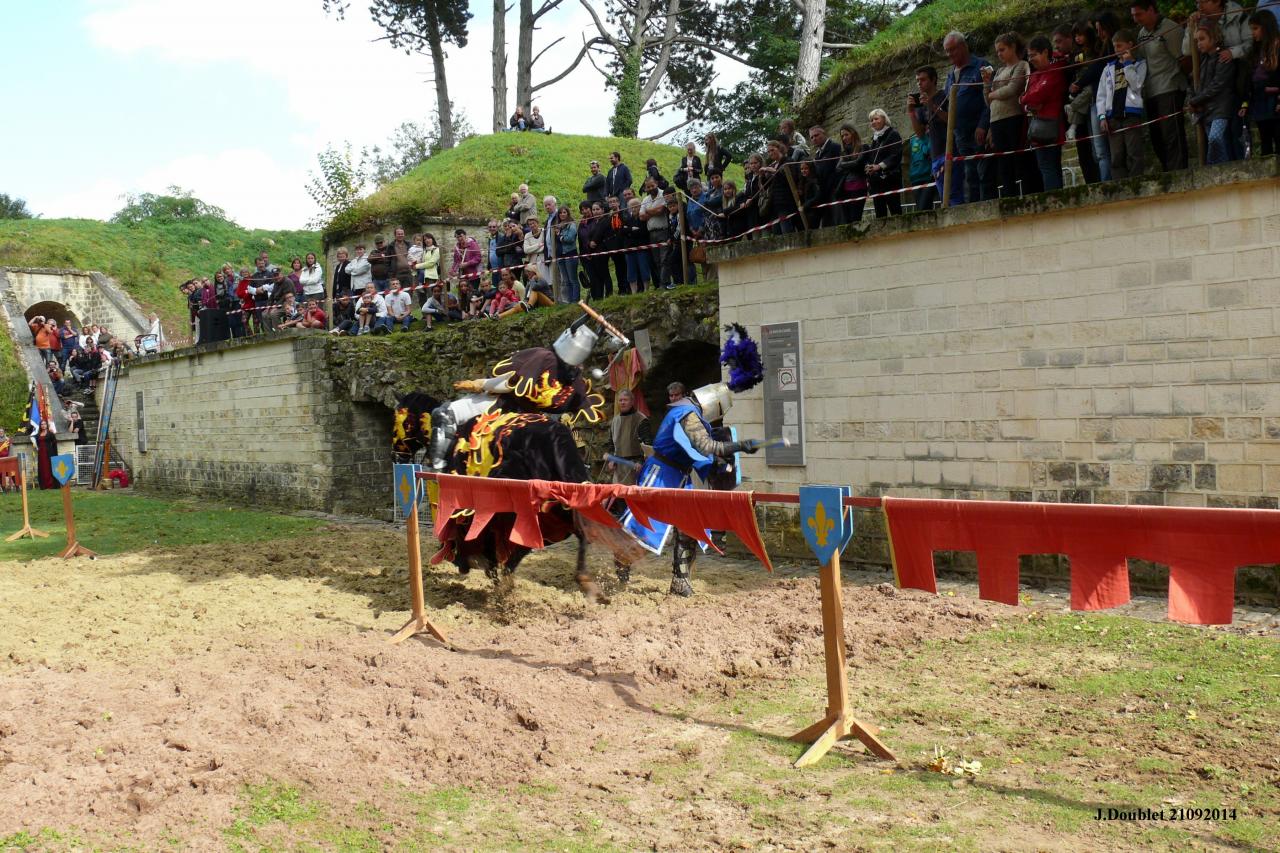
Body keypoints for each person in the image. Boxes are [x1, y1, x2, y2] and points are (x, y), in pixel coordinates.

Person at [620, 381, 760, 596]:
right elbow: (705, 446)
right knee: (650, 532)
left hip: (680, 476)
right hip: (661, 474)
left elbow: (699, 452)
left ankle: (680, 582)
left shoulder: (687, 411)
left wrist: (721, 462)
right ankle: (621, 560)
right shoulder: (687, 413)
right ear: (713, 402)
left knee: (690, 527)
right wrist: (740, 446)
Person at [1131, 0, 1189, 172]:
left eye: (1139, 14)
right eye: (1133, 15)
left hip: (1169, 87)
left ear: (1151, 9)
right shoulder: (1141, 33)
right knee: (1156, 138)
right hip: (1150, 91)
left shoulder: (1170, 29)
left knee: (1172, 135)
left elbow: (1184, 59)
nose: (1136, 19)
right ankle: (1167, 172)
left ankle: (1178, 172)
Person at [942, 31, 992, 204]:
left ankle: (988, 207)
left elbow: (989, 98)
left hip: (978, 130)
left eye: (952, 50)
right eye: (947, 51)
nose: (949, 54)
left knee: (984, 173)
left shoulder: (981, 66)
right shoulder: (950, 76)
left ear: (963, 46)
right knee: (970, 175)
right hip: (960, 134)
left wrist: (983, 125)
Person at [983, 33, 1032, 199]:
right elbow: (987, 98)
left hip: (1013, 116)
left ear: (1012, 47)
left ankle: (1026, 194)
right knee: (1003, 163)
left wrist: (992, 94)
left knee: (1018, 158)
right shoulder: (999, 71)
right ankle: (1009, 196)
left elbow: (1012, 89)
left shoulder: (1021, 65)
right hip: (996, 120)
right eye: (997, 51)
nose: (999, 54)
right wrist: (986, 84)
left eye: (1002, 49)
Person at [1097, 30, 1148, 179]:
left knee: (1134, 152)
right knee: (1117, 155)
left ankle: (1137, 183)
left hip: (1131, 114)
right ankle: (1120, 185)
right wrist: (1101, 116)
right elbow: (1101, 94)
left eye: (1120, 46)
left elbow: (1137, 84)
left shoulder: (1140, 64)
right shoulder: (1108, 68)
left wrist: (1127, 64)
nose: (1117, 50)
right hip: (1112, 116)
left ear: (1130, 45)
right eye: (1114, 47)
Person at [1190, 21, 1242, 165]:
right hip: (1207, 109)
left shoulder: (1223, 57)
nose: (1199, 43)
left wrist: (1196, 100)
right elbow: (1197, 83)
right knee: (1216, 143)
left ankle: (1216, 169)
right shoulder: (1203, 60)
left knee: (1215, 138)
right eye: (1197, 40)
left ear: (1213, 38)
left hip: (1221, 107)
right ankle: (1221, 168)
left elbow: (1218, 85)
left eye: (1202, 39)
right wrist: (1194, 98)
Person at [1021, 35, 1068, 191]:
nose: (1031, 59)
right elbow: (1025, 99)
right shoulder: (1034, 75)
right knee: (1046, 167)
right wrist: (1029, 102)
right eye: (1029, 56)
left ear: (1045, 52)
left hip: (1051, 126)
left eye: (1034, 55)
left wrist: (1029, 100)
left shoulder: (1055, 71)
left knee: (1050, 167)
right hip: (1038, 128)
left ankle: (1054, 202)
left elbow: (1037, 94)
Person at [1070, 20, 1113, 183]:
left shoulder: (1097, 51)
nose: (1078, 38)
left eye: (1080, 34)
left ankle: (1105, 182)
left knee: (1101, 150)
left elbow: (1094, 71)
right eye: (1075, 35)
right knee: (1096, 152)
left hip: (1096, 99)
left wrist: (1079, 84)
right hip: (1087, 102)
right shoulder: (1077, 54)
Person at [909, 65, 954, 208]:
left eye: (922, 80)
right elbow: (920, 133)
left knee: (953, 194)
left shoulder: (945, 95)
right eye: (917, 81)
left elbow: (951, 119)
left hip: (950, 150)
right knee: (943, 197)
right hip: (935, 154)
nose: (919, 83)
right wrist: (911, 112)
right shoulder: (921, 105)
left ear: (933, 79)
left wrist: (932, 105)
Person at [1243, 11, 1280, 157]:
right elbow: (1250, 78)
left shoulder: (1277, 48)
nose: (1253, 33)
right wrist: (1246, 101)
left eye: (1255, 28)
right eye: (1251, 29)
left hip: (1275, 98)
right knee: (1265, 139)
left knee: (1278, 136)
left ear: (1266, 27)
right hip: (1259, 99)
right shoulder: (1255, 51)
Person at [607, 389, 652, 486]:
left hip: (635, 467)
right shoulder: (615, 420)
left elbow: (647, 444)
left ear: (632, 402)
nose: (622, 403)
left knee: (632, 498)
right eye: (620, 400)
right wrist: (612, 459)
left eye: (625, 400)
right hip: (618, 468)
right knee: (618, 497)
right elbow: (611, 444)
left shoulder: (641, 419)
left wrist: (641, 462)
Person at [864, 110, 904, 217]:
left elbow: (895, 155)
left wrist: (879, 166)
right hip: (876, 182)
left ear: (884, 119)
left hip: (890, 179)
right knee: (880, 214)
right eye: (871, 120)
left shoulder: (893, 134)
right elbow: (872, 157)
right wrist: (869, 167)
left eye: (876, 118)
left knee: (895, 211)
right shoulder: (874, 138)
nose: (873, 122)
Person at [762, 136, 800, 234]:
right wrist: (762, 176)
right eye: (768, 152)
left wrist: (774, 171)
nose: (770, 153)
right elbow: (766, 185)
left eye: (772, 150)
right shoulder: (772, 165)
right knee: (776, 232)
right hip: (774, 204)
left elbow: (791, 178)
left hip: (786, 202)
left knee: (787, 231)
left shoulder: (789, 161)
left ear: (778, 149)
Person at [833, 124, 869, 223]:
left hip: (858, 187)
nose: (844, 138)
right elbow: (838, 168)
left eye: (846, 134)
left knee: (855, 218)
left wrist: (845, 164)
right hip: (845, 189)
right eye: (842, 136)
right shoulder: (844, 152)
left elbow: (858, 163)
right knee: (846, 220)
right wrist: (851, 164)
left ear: (853, 134)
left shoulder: (863, 147)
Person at [808, 125, 842, 225]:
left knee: (838, 221)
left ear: (824, 133)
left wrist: (836, 187)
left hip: (835, 190)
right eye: (812, 137)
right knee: (827, 223)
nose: (814, 139)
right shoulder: (818, 154)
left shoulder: (835, 147)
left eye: (816, 135)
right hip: (823, 193)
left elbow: (838, 169)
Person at [622, 197, 652, 293]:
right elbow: (622, 231)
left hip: (642, 248)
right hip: (630, 249)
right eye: (632, 207)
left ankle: (646, 289)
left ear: (640, 207)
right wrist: (632, 229)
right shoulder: (627, 219)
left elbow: (643, 232)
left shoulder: (643, 218)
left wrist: (629, 231)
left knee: (644, 269)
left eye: (636, 206)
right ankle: (634, 292)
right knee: (630, 271)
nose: (634, 209)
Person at [553, 206, 580, 303]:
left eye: (564, 212)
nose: (562, 214)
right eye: (560, 213)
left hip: (570, 253)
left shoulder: (571, 225)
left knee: (573, 278)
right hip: (560, 255)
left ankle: (575, 299)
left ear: (568, 213)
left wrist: (559, 236)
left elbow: (570, 238)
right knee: (566, 279)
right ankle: (568, 300)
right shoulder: (558, 226)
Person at [522, 216, 549, 284]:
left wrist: (532, 249)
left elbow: (545, 247)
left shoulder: (544, 232)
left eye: (533, 223)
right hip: (532, 261)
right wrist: (538, 245)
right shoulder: (527, 235)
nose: (532, 225)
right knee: (534, 281)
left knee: (545, 280)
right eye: (530, 224)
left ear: (537, 223)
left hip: (543, 259)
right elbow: (526, 250)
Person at [419, 233, 441, 306]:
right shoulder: (424, 250)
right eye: (425, 239)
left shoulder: (436, 249)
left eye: (428, 238)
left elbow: (431, 263)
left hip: (431, 276)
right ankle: (427, 315)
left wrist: (417, 266)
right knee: (424, 297)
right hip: (423, 276)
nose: (427, 240)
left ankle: (439, 313)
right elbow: (423, 262)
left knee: (432, 296)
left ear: (432, 239)